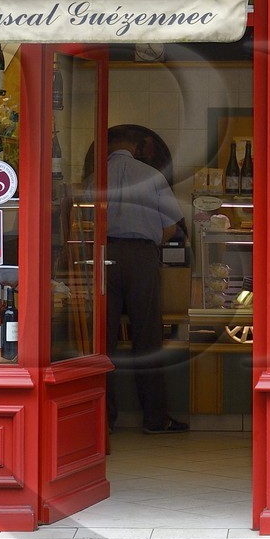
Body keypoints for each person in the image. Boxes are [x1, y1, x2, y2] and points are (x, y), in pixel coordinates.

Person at [103, 124, 188, 434]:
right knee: (148, 338)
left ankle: (101, 418)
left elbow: (78, 219)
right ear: (135, 147)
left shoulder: (96, 176)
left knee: (103, 343)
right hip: (141, 257)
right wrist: (151, 241)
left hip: (102, 256)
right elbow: (171, 225)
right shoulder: (151, 175)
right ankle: (155, 418)